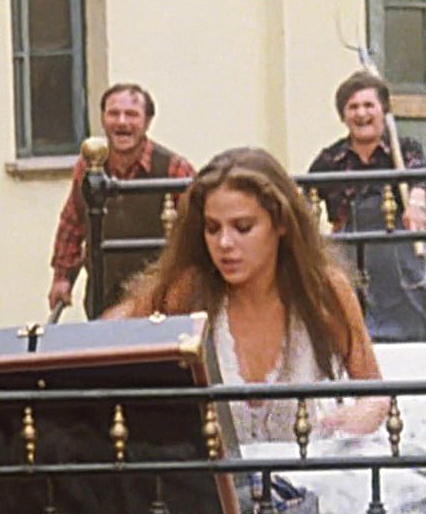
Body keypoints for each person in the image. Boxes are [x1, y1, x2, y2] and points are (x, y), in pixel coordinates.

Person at [105, 146, 386, 444]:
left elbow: (375, 394)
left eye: (243, 227)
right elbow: (106, 339)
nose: (225, 243)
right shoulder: (187, 290)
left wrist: (360, 415)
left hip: (307, 468)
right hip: (218, 472)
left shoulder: (323, 289)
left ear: (280, 223)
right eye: (212, 228)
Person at [48, 82, 195, 317]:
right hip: (103, 293)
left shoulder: (174, 168)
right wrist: (62, 278)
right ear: (103, 118)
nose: (122, 122)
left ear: (147, 121)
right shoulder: (88, 168)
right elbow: (73, 223)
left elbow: (197, 228)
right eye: (114, 113)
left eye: (132, 114)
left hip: (159, 299)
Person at [308, 70, 426, 342]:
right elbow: (304, 201)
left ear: (383, 110)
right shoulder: (330, 160)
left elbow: (421, 180)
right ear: (343, 115)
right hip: (351, 263)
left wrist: (417, 202)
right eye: (353, 107)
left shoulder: (405, 149)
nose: (361, 113)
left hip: (402, 271)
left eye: (368, 105)